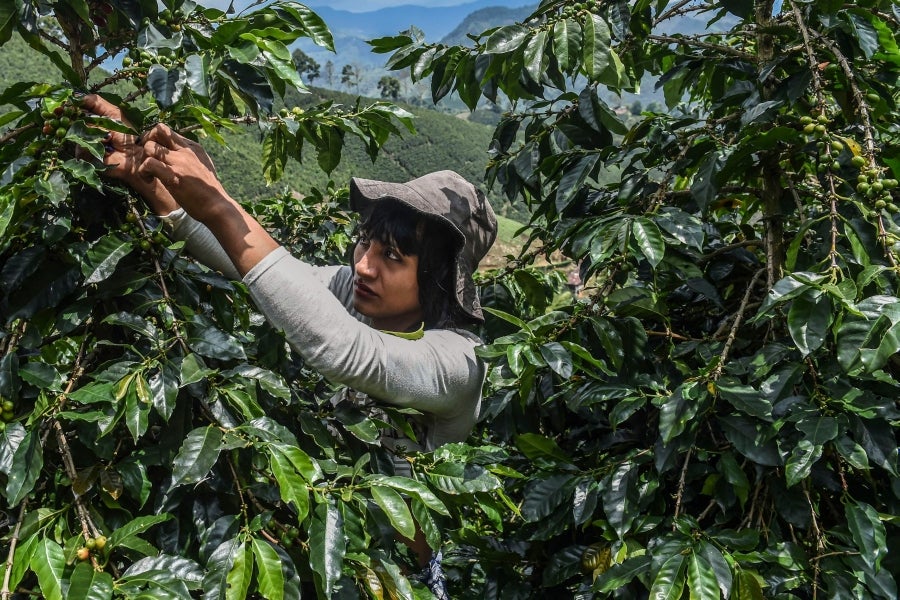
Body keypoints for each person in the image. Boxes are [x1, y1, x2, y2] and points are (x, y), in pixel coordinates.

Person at [82, 95, 498, 597]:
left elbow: (346, 349)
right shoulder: (352, 290)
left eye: (391, 256)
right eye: (365, 240)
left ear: (435, 277)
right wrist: (158, 182)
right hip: (316, 550)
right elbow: (252, 264)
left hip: (389, 577)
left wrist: (217, 201)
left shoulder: (458, 362)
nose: (364, 264)